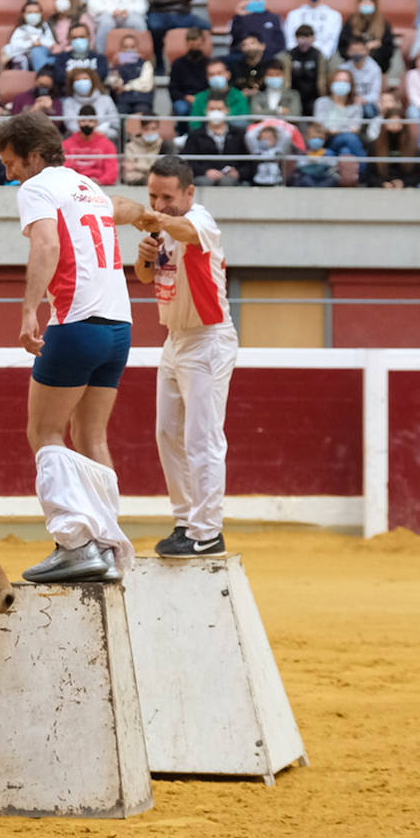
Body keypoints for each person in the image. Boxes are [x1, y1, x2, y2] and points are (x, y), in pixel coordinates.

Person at [0, 110, 145, 583]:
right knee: (92, 436)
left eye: (12, 161)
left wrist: (27, 312)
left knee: (45, 433)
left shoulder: (37, 188)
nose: (9, 172)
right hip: (119, 328)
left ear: (35, 156)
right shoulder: (88, 187)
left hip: (76, 324)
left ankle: (74, 542)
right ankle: (108, 544)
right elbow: (124, 210)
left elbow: (46, 247)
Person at [133, 154, 237, 558]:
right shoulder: (165, 227)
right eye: (152, 196)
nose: (159, 205)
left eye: (167, 196)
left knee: (202, 437)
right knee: (167, 434)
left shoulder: (200, 221)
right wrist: (144, 253)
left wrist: (149, 219)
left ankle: (208, 530)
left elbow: (185, 229)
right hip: (175, 340)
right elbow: (145, 276)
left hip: (208, 339)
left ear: (190, 193)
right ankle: (185, 522)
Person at [63, 108, 119, 186]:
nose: (87, 124)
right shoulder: (66, 144)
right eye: (83, 121)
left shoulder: (107, 145)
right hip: (73, 185)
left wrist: (100, 181)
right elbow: (63, 170)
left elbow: (112, 171)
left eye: (90, 121)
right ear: (78, 122)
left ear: (96, 122)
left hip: (100, 186)